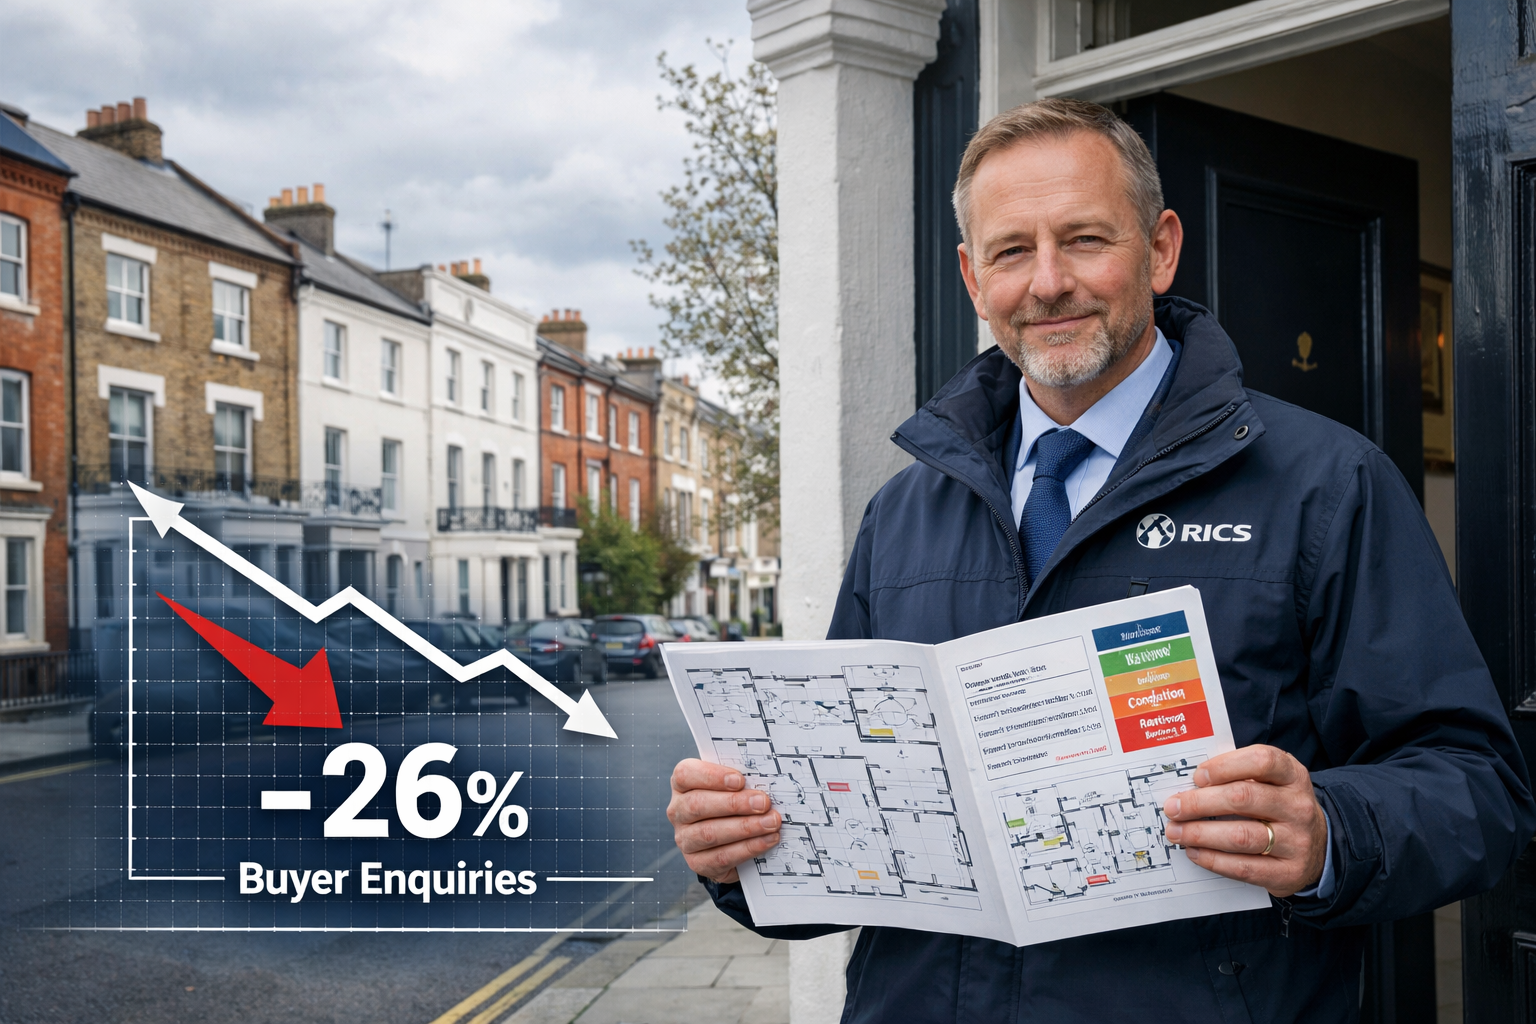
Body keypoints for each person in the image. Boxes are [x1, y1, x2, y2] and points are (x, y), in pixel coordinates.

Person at [668, 98, 1535, 1021]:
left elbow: (1477, 787)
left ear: (1160, 250)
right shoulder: (903, 512)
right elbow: (840, 835)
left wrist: (1330, 834)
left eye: (1083, 239)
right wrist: (743, 852)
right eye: (1010, 251)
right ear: (972, 275)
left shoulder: (1328, 483)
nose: (1046, 283)